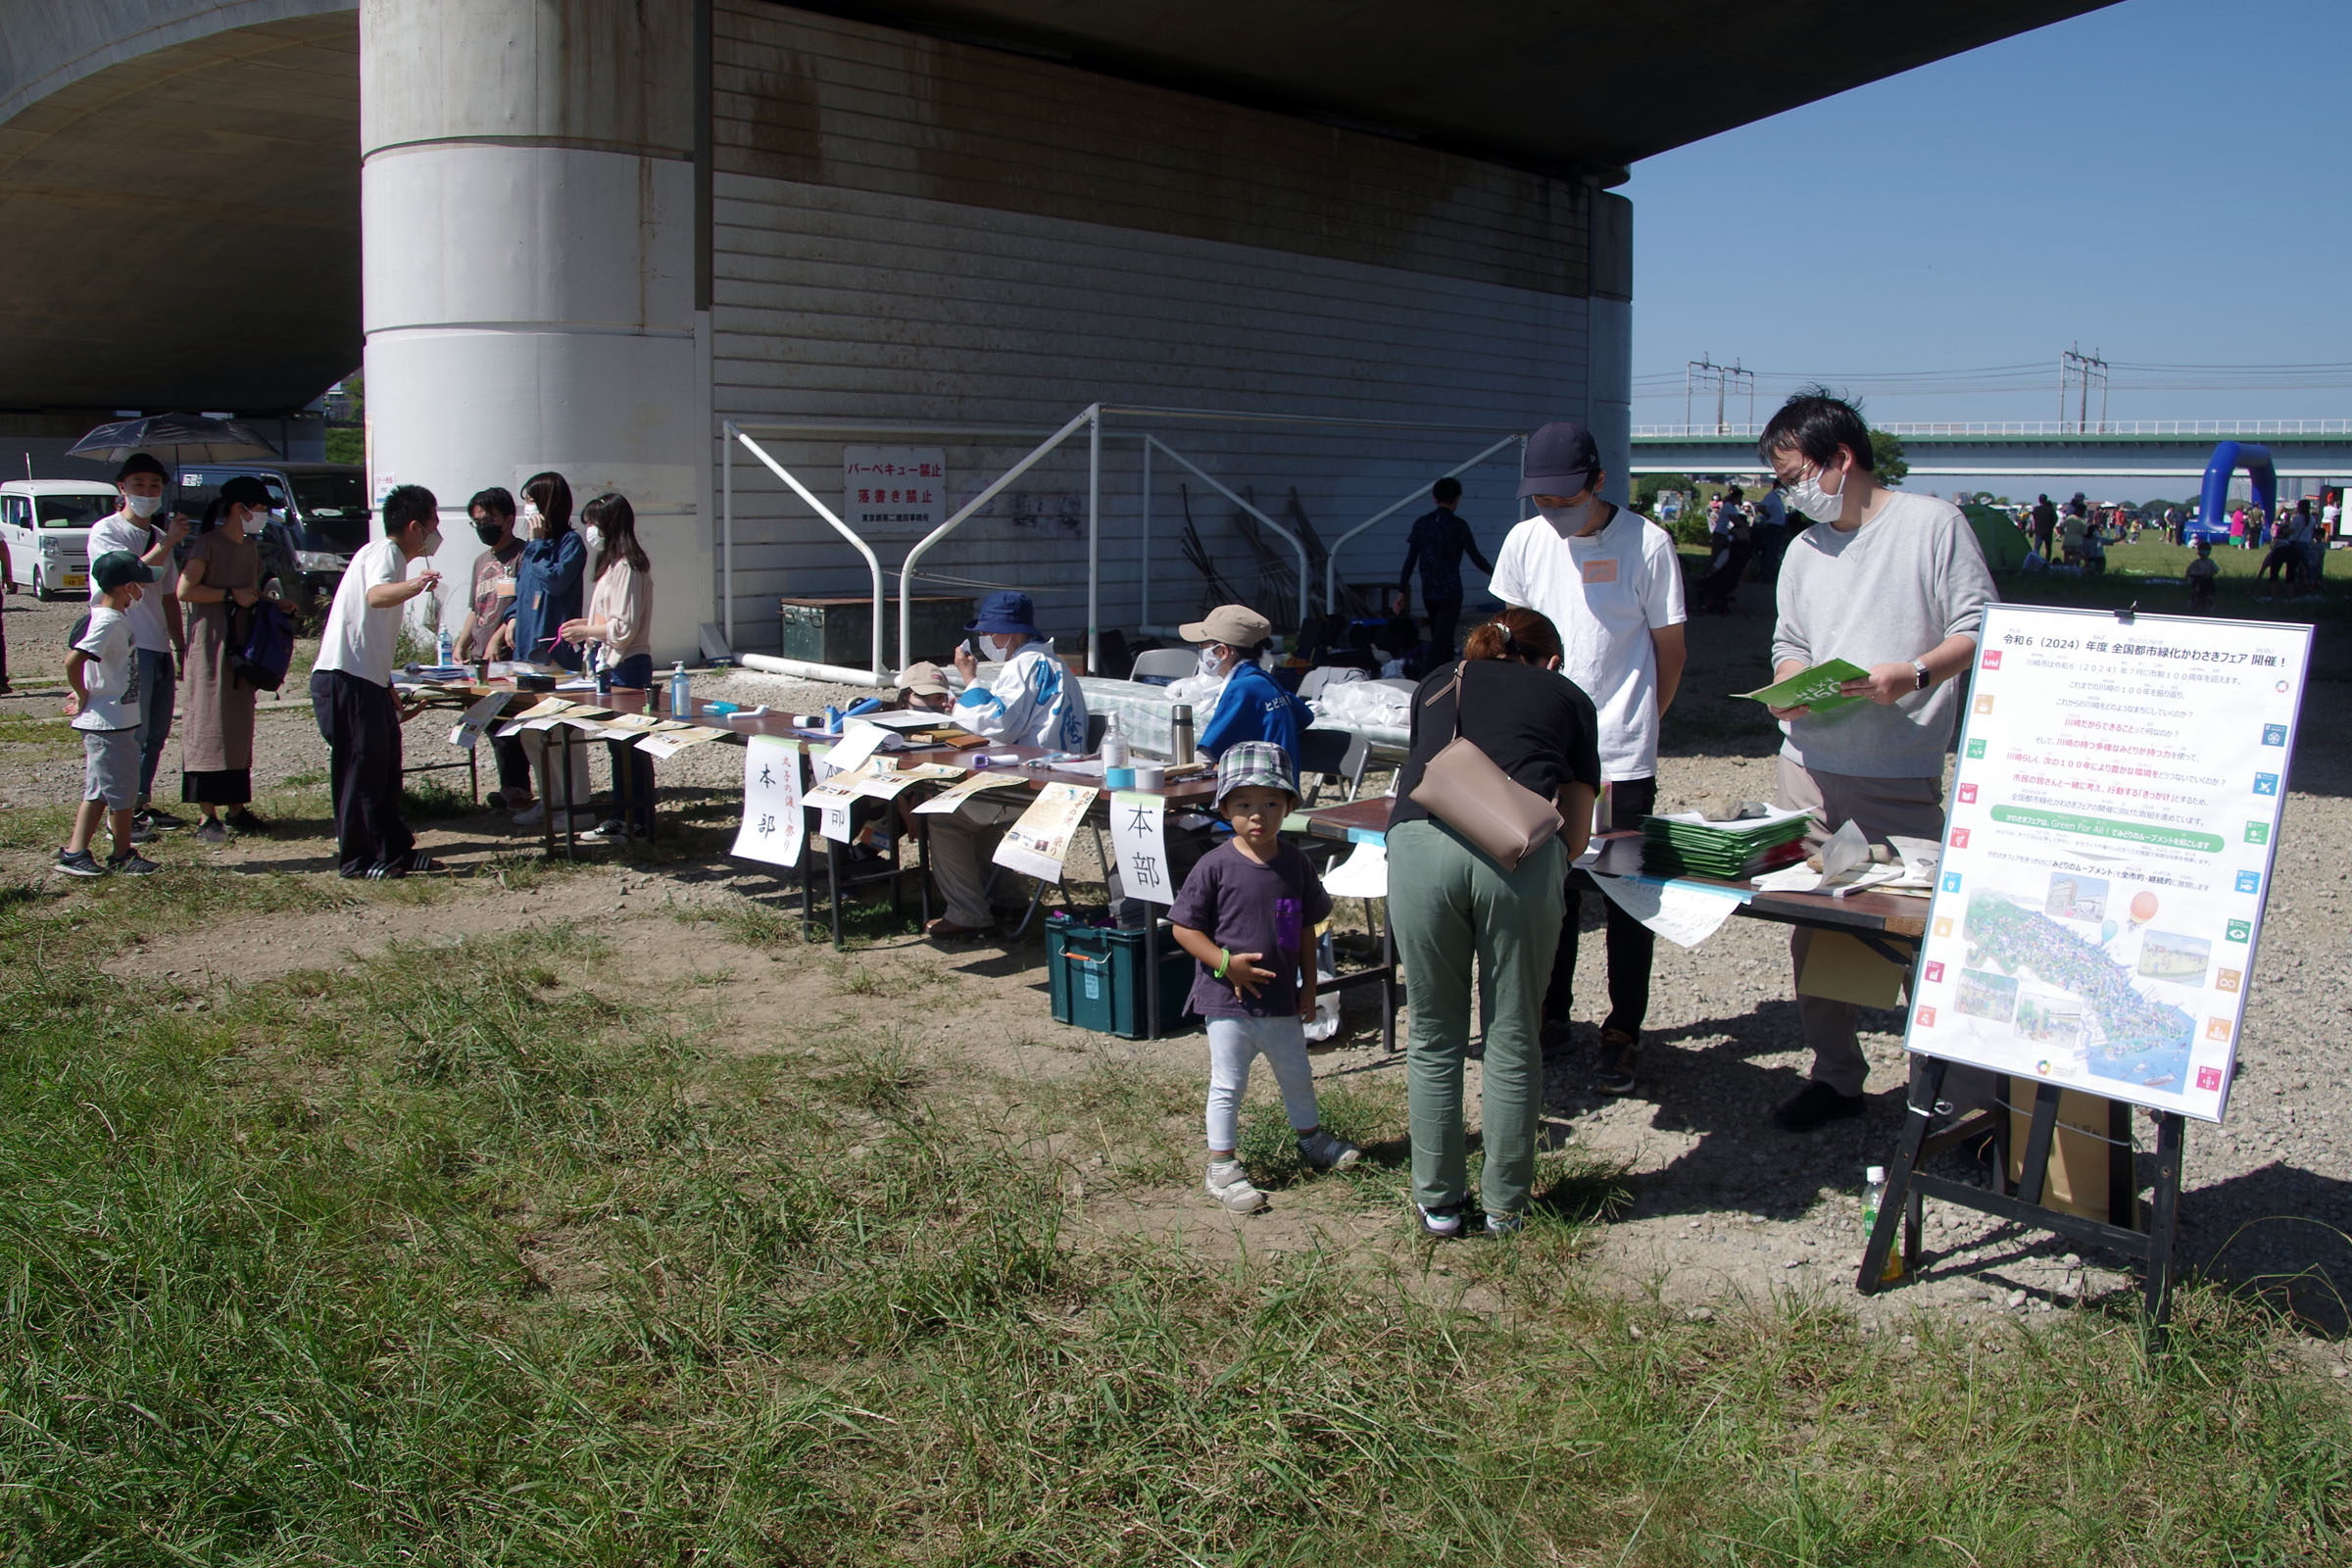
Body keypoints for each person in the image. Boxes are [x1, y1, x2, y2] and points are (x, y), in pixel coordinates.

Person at [1759, 390, 1997, 1132]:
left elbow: (1982, 623)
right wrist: (1787, 689)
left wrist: (1915, 674)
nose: (1789, 491)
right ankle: (1836, 1077)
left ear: (1842, 460)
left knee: (1916, 932)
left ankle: (1961, 1101)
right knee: (1816, 924)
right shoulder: (1803, 550)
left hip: (1897, 770)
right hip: (1809, 764)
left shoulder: (1933, 526)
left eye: (1795, 474)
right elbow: (1788, 641)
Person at [1488, 418, 1687, 1094]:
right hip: (1545, 754)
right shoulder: (1524, 542)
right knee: (1551, 884)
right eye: (1541, 499)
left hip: (1621, 752)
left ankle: (1623, 1030)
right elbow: (1513, 638)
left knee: (1628, 894)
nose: (1552, 511)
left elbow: (1670, 649)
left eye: (1564, 497)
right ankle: (1551, 1012)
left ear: (1598, 482)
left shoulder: (1647, 545)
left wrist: (1642, 726)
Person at [1389, 608, 1599, 1236]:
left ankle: (1439, 1204)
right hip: (1519, 857)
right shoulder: (1568, 696)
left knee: (1432, 1033)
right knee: (1511, 1035)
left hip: (1419, 846)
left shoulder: (1435, 681)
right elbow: (1580, 833)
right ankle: (1505, 1207)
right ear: (1551, 660)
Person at [1168, 742, 1362, 1214]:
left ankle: (1311, 1140)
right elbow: (1183, 927)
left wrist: (1309, 989)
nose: (1259, 815)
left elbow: (1305, 930)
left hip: (1280, 999)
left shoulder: (1295, 864)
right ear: (1225, 809)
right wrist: (1224, 963)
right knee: (1228, 1083)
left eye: (1272, 803)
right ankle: (1221, 1167)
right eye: (1245, 804)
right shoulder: (1214, 865)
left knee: (1296, 1075)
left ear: (1290, 806)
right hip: (1227, 1001)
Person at [920, 591, 1090, 939]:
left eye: (988, 633)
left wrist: (970, 680)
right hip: (1061, 779)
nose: (985, 640)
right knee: (976, 816)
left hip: (1036, 785)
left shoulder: (1024, 665)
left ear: (1007, 634)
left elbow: (996, 723)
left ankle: (967, 912)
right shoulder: (1053, 663)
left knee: (943, 817)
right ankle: (1007, 897)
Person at [310, 484, 448, 879]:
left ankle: (394, 850)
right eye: (434, 524)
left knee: (385, 771)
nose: (437, 534)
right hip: (345, 679)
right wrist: (417, 585)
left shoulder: (382, 556)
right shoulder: (385, 552)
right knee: (360, 772)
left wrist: (386, 685)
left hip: (367, 679)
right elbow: (376, 597)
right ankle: (358, 860)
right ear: (415, 527)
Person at [173, 476, 282, 842]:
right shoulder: (207, 544)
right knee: (208, 721)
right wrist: (229, 596)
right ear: (241, 508)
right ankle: (208, 813)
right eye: (262, 509)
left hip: (242, 645)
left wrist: (273, 605)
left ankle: (237, 808)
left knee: (238, 725)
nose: (264, 516)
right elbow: (186, 590)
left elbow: (249, 593)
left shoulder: (249, 548)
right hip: (210, 644)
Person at [87, 453, 191, 832]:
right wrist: (169, 543)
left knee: (157, 733)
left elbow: (168, 595)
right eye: (139, 485)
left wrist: (179, 644)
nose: (148, 492)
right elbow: (128, 575)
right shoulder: (106, 532)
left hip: (157, 644)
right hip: (125, 645)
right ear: (122, 488)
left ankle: (140, 802)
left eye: (155, 485)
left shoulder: (162, 536)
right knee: (132, 732)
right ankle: (121, 813)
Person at [557, 493, 655, 844]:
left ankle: (639, 819)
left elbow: (623, 628)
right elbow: (608, 619)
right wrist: (585, 625)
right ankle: (621, 813)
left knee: (632, 745)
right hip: (610, 662)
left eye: (593, 523)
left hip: (627, 664)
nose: (589, 531)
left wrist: (587, 630)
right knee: (617, 745)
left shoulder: (628, 567)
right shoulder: (611, 566)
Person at [58, 551, 162, 877]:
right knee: (122, 793)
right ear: (127, 587)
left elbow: (91, 663)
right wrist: (83, 692)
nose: (142, 592)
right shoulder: (108, 620)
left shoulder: (109, 617)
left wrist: (83, 688)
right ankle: (122, 854)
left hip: (114, 720)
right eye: (138, 585)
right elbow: (73, 661)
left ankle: (76, 852)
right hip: (109, 722)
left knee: (100, 791)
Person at [458, 487, 533, 809]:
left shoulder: (524, 555)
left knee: (511, 724)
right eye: (477, 522)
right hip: (480, 658)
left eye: (489, 520)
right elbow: (476, 607)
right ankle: (511, 787)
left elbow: (522, 605)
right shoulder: (480, 561)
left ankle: (518, 789)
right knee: (488, 722)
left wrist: (498, 636)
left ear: (508, 519)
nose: (483, 527)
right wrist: (463, 640)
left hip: (507, 655)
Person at [1183, 603, 1311, 761]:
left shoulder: (1240, 689)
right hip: (1282, 783)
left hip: (1256, 785)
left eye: (1202, 645)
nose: (1200, 650)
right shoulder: (1266, 680)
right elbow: (1306, 717)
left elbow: (1205, 757)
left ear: (1222, 652)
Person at [1396, 477, 1493, 659]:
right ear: (1457, 499)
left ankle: (1441, 671)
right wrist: (1495, 574)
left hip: (1429, 590)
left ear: (1434, 498)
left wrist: (1402, 590)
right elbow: (1475, 556)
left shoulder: (1422, 524)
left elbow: (1410, 560)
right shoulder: (1458, 525)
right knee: (1444, 638)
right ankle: (1438, 672)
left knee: (1438, 635)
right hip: (1451, 591)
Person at [507, 471, 584, 670]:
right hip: (525, 648)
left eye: (532, 501)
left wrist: (538, 545)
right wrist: (512, 617)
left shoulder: (569, 543)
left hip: (552, 650)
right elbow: (525, 590)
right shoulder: (532, 547)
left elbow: (555, 582)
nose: (528, 508)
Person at [1751, 476, 1791, 585]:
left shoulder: (1777, 498)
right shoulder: (1771, 496)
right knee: (1770, 551)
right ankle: (1766, 575)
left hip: (1777, 528)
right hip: (1772, 527)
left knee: (1774, 552)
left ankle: (1769, 574)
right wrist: (1767, 515)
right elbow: (1761, 507)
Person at [2185, 539, 2219, 612]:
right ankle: (2194, 605)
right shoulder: (2196, 562)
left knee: (2208, 595)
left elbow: (2215, 570)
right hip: (2197, 579)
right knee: (2195, 593)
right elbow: (2189, 569)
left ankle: (2210, 606)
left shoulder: (2210, 562)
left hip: (2207, 580)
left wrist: (2210, 573)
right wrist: (2188, 575)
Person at [2029, 494, 2057, 562]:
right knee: (2048, 548)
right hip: (2048, 531)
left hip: (2038, 531)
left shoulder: (2036, 509)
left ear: (2039, 500)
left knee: (2037, 548)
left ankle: (2035, 561)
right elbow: (2055, 518)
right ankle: (2047, 561)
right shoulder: (2050, 509)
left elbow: (2033, 520)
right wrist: (2051, 526)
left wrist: (2032, 529)